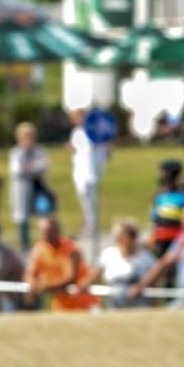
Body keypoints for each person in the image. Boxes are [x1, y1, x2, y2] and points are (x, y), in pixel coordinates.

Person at [23, 215, 95, 312]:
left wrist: (45, 286)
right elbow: (30, 273)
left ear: (57, 231)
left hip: (83, 302)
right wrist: (32, 285)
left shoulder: (72, 249)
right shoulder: (39, 248)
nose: (44, 234)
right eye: (42, 231)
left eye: (47, 231)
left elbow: (71, 278)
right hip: (61, 304)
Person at [87, 219, 156, 309]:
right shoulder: (108, 254)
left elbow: (154, 286)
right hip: (114, 306)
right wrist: (82, 286)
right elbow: (95, 275)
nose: (132, 239)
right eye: (130, 235)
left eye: (134, 235)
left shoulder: (147, 258)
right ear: (119, 237)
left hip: (140, 306)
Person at [68, 109, 108, 261]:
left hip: (91, 171)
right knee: (83, 197)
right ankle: (88, 221)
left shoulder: (94, 132)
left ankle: (92, 224)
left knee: (91, 198)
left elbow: (102, 150)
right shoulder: (76, 132)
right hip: (80, 169)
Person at [8, 121, 53, 252]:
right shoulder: (16, 153)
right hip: (21, 187)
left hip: (38, 186)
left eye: (30, 136)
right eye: (25, 136)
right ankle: (25, 245)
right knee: (22, 216)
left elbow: (44, 165)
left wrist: (30, 167)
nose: (28, 139)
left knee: (45, 211)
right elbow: (17, 170)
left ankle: (46, 241)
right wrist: (33, 167)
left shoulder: (40, 150)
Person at [147, 159, 184, 258]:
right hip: (168, 235)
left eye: (164, 172)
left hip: (170, 235)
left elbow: (154, 216)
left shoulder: (163, 195)